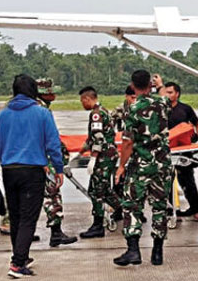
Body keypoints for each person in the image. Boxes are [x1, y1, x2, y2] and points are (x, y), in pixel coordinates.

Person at [0, 74, 64, 278]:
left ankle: (20, 254)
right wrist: (58, 168)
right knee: (28, 218)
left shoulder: (3, 116)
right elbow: (53, 145)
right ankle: (17, 263)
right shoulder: (42, 114)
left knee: (16, 216)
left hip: (9, 171)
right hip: (32, 171)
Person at [113, 70, 172, 267]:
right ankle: (157, 252)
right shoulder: (163, 103)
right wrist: (160, 85)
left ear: (132, 85)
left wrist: (121, 166)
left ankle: (133, 250)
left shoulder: (132, 108)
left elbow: (128, 142)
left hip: (140, 165)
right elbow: (164, 97)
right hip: (162, 166)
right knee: (159, 207)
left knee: (131, 206)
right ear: (150, 85)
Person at [36, 78, 78, 247]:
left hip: (26, 161)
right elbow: (49, 139)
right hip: (44, 160)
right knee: (53, 196)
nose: (54, 94)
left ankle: (23, 233)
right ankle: (56, 233)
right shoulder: (42, 110)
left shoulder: (31, 107)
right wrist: (58, 161)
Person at [78, 86, 123, 238]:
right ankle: (122, 208)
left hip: (103, 157)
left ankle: (98, 225)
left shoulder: (96, 114)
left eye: (82, 101)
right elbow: (92, 137)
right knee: (100, 189)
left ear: (87, 99)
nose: (82, 104)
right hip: (108, 156)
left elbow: (98, 138)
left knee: (97, 191)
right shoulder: (103, 111)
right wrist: (80, 152)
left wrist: (93, 157)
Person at [164, 81, 198, 222]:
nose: (168, 95)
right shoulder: (161, 109)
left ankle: (196, 210)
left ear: (177, 94)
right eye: (166, 92)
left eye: (170, 92)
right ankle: (171, 210)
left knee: (187, 180)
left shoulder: (185, 109)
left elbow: (197, 124)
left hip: (183, 151)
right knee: (166, 181)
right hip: (166, 151)